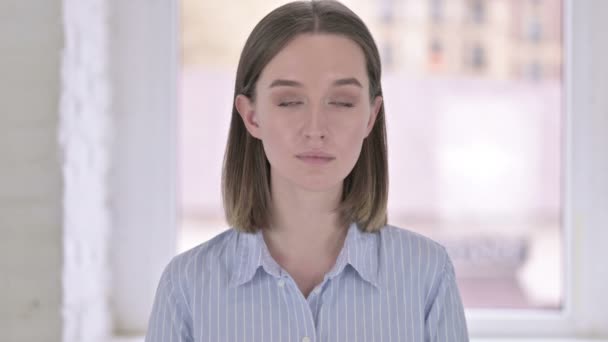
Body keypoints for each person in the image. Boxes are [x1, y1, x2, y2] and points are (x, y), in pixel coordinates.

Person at [145, 1, 469, 341]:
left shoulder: (427, 276)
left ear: (370, 117)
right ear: (251, 115)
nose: (316, 129)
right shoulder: (186, 288)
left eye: (342, 101)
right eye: (289, 101)